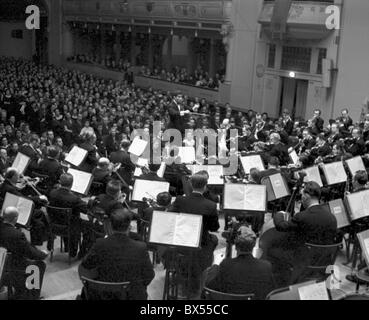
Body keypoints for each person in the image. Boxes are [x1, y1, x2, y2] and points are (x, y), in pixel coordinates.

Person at [266, 181, 338, 285]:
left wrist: (279, 214)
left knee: (273, 251)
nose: (301, 198)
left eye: (302, 195)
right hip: (323, 260)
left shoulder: (302, 217)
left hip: (304, 258)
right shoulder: (332, 218)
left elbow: (281, 226)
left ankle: (283, 284)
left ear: (306, 197)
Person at [78, 209, 155, 300]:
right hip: (130, 296)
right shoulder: (141, 248)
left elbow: (85, 265)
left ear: (110, 225)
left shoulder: (100, 244)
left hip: (102, 295)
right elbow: (149, 275)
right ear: (129, 227)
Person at [170, 173, 220, 295]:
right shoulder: (211, 205)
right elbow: (214, 227)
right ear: (205, 186)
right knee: (214, 239)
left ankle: (184, 268)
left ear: (191, 185)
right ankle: (203, 269)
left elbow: (171, 218)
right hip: (200, 243)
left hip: (181, 240)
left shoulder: (180, 200)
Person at [206, 226, 275, 300]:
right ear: (253, 245)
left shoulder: (226, 264)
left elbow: (209, 286)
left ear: (235, 247)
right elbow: (272, 292)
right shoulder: (266, 266)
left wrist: (215, 265)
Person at [0, 207, 48, 299]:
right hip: (12, 269)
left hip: (1, 266)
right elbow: (30, 253)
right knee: (39, 265)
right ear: (15, 219)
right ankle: (33, 296)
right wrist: (43, 254)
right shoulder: (17, 235)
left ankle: (20, 290)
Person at [48, 173, 89, 258]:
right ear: (72, 184)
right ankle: (77, 252)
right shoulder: (74, 198)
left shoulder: (52, 193)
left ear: (60, 182)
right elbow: (86, 210)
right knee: (89, 226)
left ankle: (67, 247)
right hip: (70, 227)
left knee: (65, 217)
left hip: (54, 225)